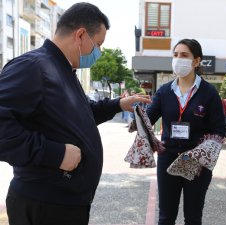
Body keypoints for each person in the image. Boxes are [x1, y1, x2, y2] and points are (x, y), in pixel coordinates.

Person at [0, 3, 150, 225]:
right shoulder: (34, 67)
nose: (98, 52)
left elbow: (80, 115)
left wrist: (118, 104)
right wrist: (54, 153)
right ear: (80, 35)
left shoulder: (64, 70)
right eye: (98, 44)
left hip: (66, 203)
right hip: (44, 204)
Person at [146, 39, 226, 225]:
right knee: (166, 216)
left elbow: (219, 131)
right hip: (168, 158)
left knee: (192, 217)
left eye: (184, 55)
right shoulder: (165, 91)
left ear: (196, 61)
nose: (178, 59)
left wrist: (201, 153)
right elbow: (148, 119)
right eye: (175, 55)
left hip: (197, 162)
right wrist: (137, 116)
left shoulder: (209, 93)